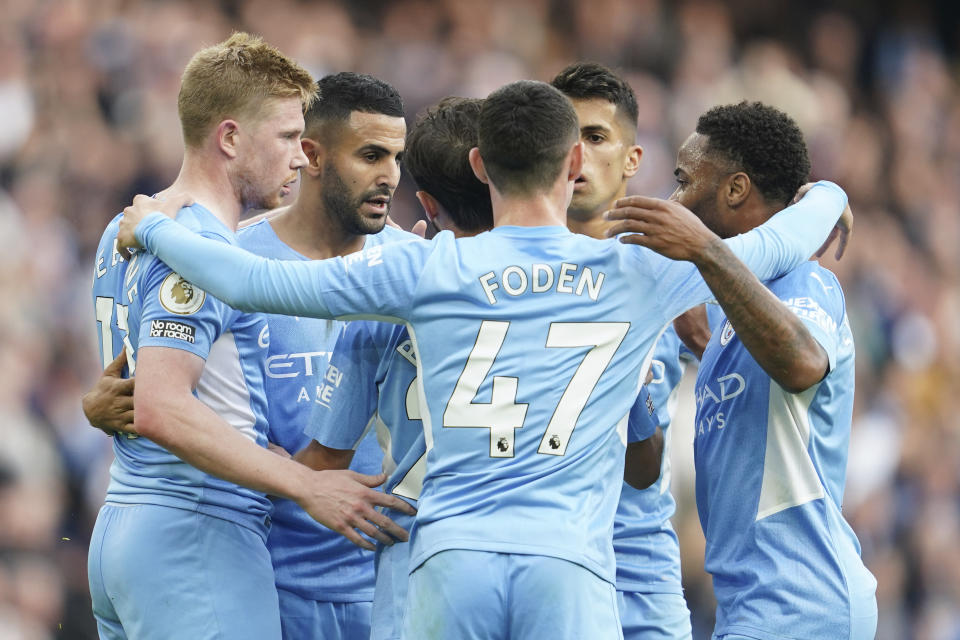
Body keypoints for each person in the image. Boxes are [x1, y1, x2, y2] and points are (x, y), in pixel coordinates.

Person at [116, 80, 849, 639]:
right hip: (567, 567)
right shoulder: (637, 271)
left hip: (450, 557)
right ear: (573, 163)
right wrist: (829, 194)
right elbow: (777, 244)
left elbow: (250, 279)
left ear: (478, 162)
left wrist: (158, 228)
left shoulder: (422, 268)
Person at [299, 96, 662, 640]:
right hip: (558, 564)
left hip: (421, 572)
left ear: (427, 202)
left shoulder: (387, 298)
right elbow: (644, 464)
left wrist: (244, 468)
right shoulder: (592, 297)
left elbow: (325, 461)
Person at [87, 33, 411, 640]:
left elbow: (139, 377)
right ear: (230, 137)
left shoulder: (126, 229)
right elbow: (162, 402)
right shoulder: (202, 249)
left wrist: (96, 405)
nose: (299, 156)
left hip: (127, 523)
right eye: (289, 137)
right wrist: (307, 484)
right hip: (198, 533)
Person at [670, 101, 877, 640]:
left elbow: (803, 362)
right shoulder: (732, 315)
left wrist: (704, 251)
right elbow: (708, 335)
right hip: (756, 603)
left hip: (800, 597)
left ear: (735, 189)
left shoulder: (804, 284)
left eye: (684, 180)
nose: (675, 199)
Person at [551, 61, 695, 639]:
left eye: (595, 137)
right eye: (565, 139)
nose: (578, 156)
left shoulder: (676, 273)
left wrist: (823, 197)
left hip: (642, 567)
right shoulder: (504, 269)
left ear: (632, 159)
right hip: (549, 561)